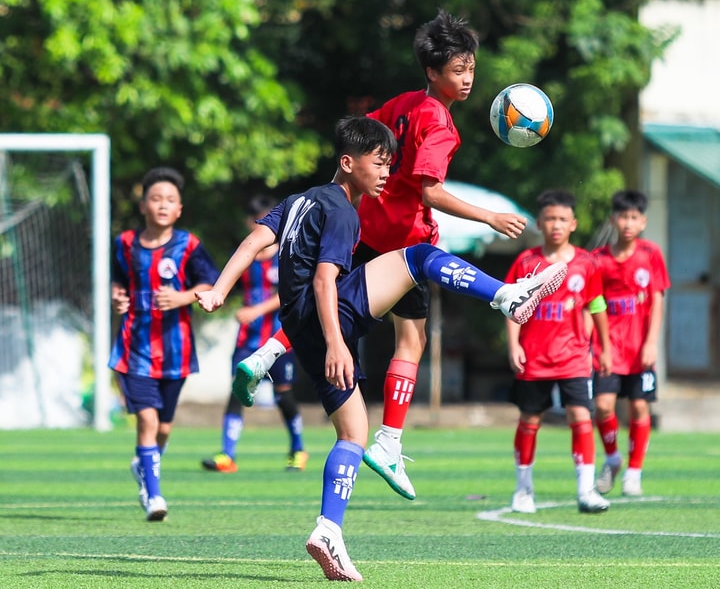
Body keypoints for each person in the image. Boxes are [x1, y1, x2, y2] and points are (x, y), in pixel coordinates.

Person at [196, 116, 565, 582]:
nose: (388, 173)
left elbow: (254, 241)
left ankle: (328, 529)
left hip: (297, 326)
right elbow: (325, 279)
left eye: (391, 163)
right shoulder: (341, 210)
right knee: (418, 258)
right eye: (380, 163)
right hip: (325, 318)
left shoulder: (295, 201)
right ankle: (506, 295)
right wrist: (337, 343)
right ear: (348, 163)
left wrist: (218, 290)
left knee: (352, 434)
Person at [230, 10, 528, 501]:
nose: (468, 78)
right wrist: (489, 217)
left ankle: (266, 353)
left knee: (336, 305)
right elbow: (429, 191)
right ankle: (389, 439)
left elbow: (365, 138)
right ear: (433, 72)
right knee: (410, 340)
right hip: (405, 239)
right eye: (458, 70)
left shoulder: (404, 104)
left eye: (471, 68)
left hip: (365, 227)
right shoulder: (441, 124)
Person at [109, 166, 219, 522]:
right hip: (134, 349)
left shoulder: (190, 245)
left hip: (175, 351)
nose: (162, 204)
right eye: (155, 198)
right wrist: (117, 297)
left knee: (165, 427)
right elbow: (118, 281)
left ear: (179, 209)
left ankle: (144, 465)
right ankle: (153, 495)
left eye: (169, 200)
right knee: (147, 420)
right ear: (143, 206)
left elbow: (211, 283)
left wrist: (183, 297)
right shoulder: (124, 244)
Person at [505, 190, 613, 515]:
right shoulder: (526, 262)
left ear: (573, 224)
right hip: (534, 357)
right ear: (539, 223)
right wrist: (514, 344)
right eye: (550, 218)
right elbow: (510, 305)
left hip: (574, 358)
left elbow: (596, 305)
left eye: (563, 219)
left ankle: (586, 491)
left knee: (581, 417)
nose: (556, 225)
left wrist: (604, 348)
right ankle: (523, 490)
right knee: (529, 420)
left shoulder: (586, 263)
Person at [201, 195, 307, 474]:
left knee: (283, 395)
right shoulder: (245, 256)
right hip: (246, 338)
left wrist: (257, 311)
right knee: (237, 390)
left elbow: (287, 294)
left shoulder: (285, 256)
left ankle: (298, 450)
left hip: (278, 339)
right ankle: (228, 454)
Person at [590, 189, 670, 498]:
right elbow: (592, 304)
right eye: (622, 216)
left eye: (634, 217)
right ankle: (612, 458)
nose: (627, 223)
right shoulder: (599, 260)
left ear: (643, 222)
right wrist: (595, 346)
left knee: (639, 405)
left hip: (640, 350)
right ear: (613, 220)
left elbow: (658, 300)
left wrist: (652, 343)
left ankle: (634, 472)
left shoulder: (650, 255)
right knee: (603, 405)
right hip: (609, 349)